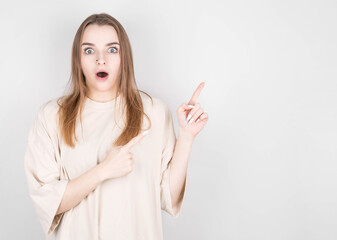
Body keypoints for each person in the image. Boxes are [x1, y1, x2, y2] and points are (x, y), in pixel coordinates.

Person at [24, 13, 208, 240]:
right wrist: (103, 171)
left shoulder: (153, 112)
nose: (101, 60)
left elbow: (168, 198)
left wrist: (187, 137)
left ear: (124, 57)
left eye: (112, 49)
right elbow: (49, 203)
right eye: (89, 50)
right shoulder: (52, 116)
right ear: (77, 59)